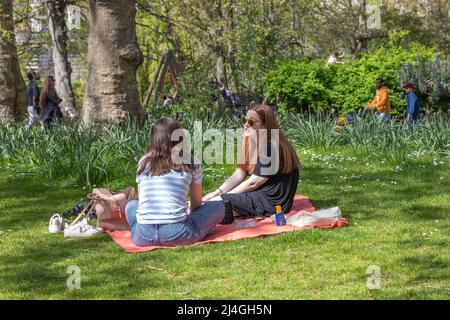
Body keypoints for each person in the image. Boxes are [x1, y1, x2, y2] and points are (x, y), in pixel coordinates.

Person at [125, 118, 225, 247]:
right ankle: (200, 229)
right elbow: (196, 205)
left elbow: (142, 202)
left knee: (131, 205)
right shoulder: (191, 162)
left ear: (154, 139)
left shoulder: (144, 162)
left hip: (143, 236)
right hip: (178, 234)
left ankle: (137, 231)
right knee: (219, 207)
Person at [203, 104, 300, 218]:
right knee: (207, 201)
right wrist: (217, 192)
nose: (245, 125)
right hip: (259, 193)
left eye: (251, 122)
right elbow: (240, 173)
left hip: (271, 202)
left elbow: (254, 182)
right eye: (244, 120)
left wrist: (224, 198)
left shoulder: (271, 146)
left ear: (265, 125)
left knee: (212, 206)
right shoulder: (252, 141)